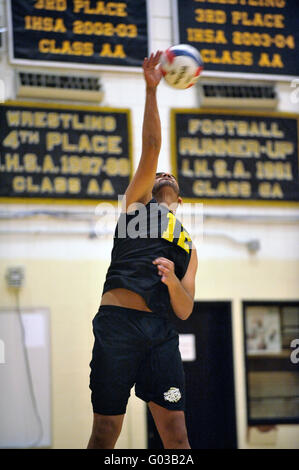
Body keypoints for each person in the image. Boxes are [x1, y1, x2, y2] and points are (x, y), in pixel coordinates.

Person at [87, 51, 198, 449]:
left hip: (162, 336)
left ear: (180, 202)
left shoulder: (188, 244)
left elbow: (185, 309)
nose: (163, 173)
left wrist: (170, 281)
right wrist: (152, 89)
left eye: (171, 176)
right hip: (118, 326)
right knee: (105, 432)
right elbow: (151, 146)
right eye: (158, 174)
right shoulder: (137, 207)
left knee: (177, 435)